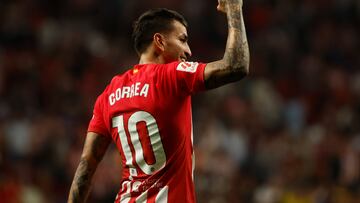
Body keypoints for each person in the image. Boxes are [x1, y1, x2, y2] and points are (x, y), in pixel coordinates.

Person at [68, 0, 249, 202]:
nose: (188, 50)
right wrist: (234, 8)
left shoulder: (108, 95)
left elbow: (86, 166)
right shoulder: (170, 75)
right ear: (160, 42)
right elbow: (236, 65)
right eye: (182, 39)